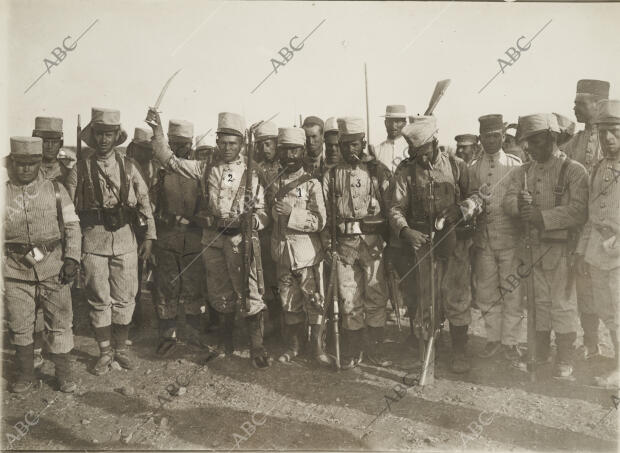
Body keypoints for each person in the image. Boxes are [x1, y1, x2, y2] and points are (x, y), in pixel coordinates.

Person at [146, 108, 271, 369]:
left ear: (241, 144)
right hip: (213, 239)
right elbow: (171, 162)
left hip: (241, 240)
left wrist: (254, 222)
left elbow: (263, 213)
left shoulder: (253, 171)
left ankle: (257, 347)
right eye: (222, 142)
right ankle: (225, 345)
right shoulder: (206, 168)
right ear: (217, 142)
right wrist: (157, 130)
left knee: (249, 292)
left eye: (232, 143)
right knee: (219, 293)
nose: (227, 148)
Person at [66, 107, 156, 375]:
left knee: (126, 296)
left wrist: (149, 237)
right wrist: (73, 248)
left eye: (109, 134)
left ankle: (121, 349)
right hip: (93, 240)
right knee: (98, 297)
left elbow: (144, 204)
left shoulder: (129, 167)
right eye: (99, 134)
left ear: (117, 136)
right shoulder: (78, 170)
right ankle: (104, 351)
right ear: (92, 136)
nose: (104, 139)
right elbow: (69, 214)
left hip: (125, 239)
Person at [388, 116, 478, 373]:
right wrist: (405, 231)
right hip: (423, 243)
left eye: (425, 152)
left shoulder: (456, 165)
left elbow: (478, 196)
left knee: (457, 296)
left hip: (455, 242)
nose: (421, 159)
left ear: (435, 143)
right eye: (415, 153)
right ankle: (427, 348)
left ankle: (460, 350)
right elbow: (395, 207)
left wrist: (460, 210)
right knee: (427, 296)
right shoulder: (406, 171)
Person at [503, 113, 588, 378]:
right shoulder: (523, 171)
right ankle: (539, 351)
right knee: (538, 303)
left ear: (552, 139)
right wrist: (519, 205)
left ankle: (564, 356)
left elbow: (578, 210)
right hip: (532, 249)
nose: (530, 148)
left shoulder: (574, 170)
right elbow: (506, 201)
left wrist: (541, 217)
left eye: (537, 142)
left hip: (561, 248)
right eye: (527, 143)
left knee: (562, 303)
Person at [4, 137, 81, 393]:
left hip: (53, 267)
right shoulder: (4, 193)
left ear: (39, 163)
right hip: (15, 271)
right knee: (20, 325)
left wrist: (71, 258)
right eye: (20, 163)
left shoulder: (57, 190)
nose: (25, 169)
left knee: (60, 322)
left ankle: (65, 374)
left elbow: (71, 226)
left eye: (31, 163)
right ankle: (26, 375)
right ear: (12, 163)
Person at [323, 117, 392, 368]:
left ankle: (375, 348)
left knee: (375, 294)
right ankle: (353, 349)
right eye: (345, 145)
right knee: (349, 297)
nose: (350, 149)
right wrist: (328, 244)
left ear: (363, 142)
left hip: (373, 243)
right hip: (344, 244)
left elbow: (391, 203)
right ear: (339, 145)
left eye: (355, 144)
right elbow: (325, 215)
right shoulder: (331, 175)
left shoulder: (376, 171)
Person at [262, 127, 329, 365]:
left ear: (302, 151)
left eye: (295, 150)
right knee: (289, 301)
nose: (290, 155)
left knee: (314, 301)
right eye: (285, 150)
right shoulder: (272, 183)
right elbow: (265, 215)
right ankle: (294, 346)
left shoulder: (312, 184)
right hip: (282, 254)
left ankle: (317, 348)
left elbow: (320, 221)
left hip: (307, 255)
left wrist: (293, 214)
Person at [150, 119, 209, 355]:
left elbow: (209, 204)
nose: (179, 149)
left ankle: (194, 336)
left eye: (183, 144)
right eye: (174, 144)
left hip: (194, 238)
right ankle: (168, 335)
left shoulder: (199, 170)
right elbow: (152, 205)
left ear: (191, 144)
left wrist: (195, 219)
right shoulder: (161, 172)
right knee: (167, 287)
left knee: (194, 288)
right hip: (168, 238)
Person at [468, 114, 524, 361]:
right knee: (487, 292)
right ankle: (493, 339)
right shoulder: (472, 168)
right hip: (483, 242)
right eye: (486, 136)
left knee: (512, 290)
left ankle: (510, 341)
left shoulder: (515, 165)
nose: (491, 141)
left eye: (495, 136)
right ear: (480, 138)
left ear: (503, 136)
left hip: (510, 240)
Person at [562, 79, 611, 360]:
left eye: (580, 103)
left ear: (598, 105)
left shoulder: (613, 140)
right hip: (580, 229)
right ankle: (591, 343)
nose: (574, 108)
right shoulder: (574, 142)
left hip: (610, 230)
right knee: (584, 286)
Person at [575, 99, 620, 387]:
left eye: (614, 131)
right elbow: (591, 216)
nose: (608, 138)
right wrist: (582, 250)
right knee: (606, 310)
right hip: (598, 252)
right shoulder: (599, 167)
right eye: (603, 132)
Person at [254, 121, 282, 338]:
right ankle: (273, 321)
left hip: (286, 229)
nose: (265, 149)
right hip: (265, 230)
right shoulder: (255, 168)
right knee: (268, 277)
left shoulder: (287, 166)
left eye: (269, 144)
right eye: (261, 144)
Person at [32, 116, 72, 186]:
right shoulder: (28, 172)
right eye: (45, 141)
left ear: (61, 144)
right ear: (36, 142)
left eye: (54, 142)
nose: (50, 146)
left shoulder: (68, 175)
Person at [375, 105, 409, 174]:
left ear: (404, 123)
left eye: (397, 121)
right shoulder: (377, 151)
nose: (393, 125)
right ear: (385, 123)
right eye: (390, 121)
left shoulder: (411, 149)